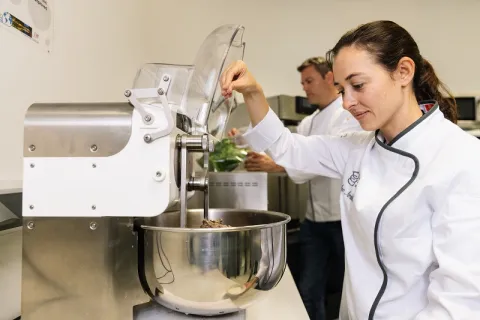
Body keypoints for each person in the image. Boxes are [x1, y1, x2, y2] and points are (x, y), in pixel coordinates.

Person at [220, 20, 480, 319]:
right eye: (342, 89)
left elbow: (460, 301)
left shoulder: (463, 159)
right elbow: (287, 148)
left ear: (404, 72)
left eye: (357, 86)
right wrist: (253, 91)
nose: (347, 103)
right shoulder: (358, 148)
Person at [229, 57, 362, 320]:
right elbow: (287, 146)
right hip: (314, 220)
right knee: (309, 287)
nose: (305, 88)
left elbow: (321, 162)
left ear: (329, 78)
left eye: (310, 81)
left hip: (341, 220)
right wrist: (243, 138)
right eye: (302, 83)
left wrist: (277, 166)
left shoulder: (347, 115)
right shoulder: (310, 121)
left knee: (351, 288)